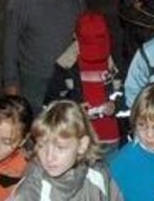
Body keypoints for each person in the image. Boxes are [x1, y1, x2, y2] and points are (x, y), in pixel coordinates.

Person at [0, 100, 129, 201]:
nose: (49, 157)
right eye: (42, 145)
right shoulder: (26, 200)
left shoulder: (99, 177)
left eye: (60, 147)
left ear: (82, 145)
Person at [3, 0, 86, 112]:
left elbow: (85, 34)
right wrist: (11, 82)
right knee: (38, 126)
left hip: (68, 76)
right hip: (35, 78)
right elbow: (9, 43)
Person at [44, 11, 124, 150]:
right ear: (75, 37)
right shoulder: (65, 66)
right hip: (79, 140)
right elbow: (50, 104)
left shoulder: (113, 61)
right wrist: (75, 110)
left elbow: (124, 93)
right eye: (89, 44)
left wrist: (114, 105)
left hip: (111, 138)